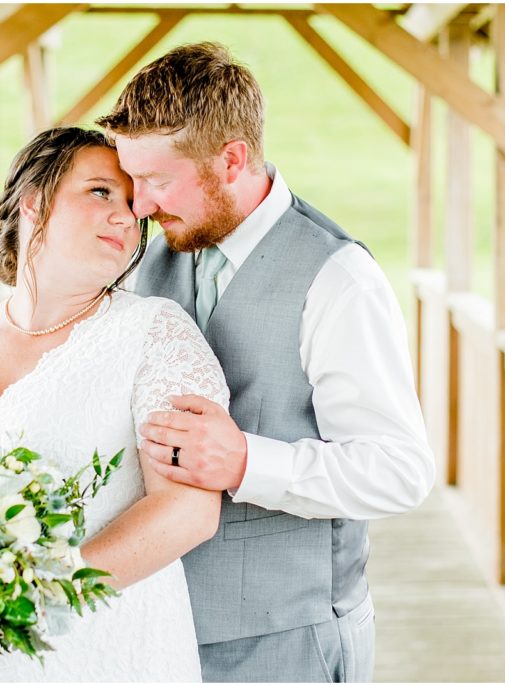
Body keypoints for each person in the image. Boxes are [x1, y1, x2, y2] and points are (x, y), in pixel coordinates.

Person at [93, 42, 435, 682]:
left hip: (289, 642)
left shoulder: (338, 279)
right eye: (132, 179)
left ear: (232, 159)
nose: (138, 205)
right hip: (156, 631)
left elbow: (400, 470)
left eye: (159, 181)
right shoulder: (153, 249)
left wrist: (247, 462)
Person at [0, 126, 230, 681]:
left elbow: (189, 510)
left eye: (134, 208)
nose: (126, 217)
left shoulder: (154, 334)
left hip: (100, 650)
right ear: (34, 200)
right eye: (101, 192)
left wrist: (44, 592)